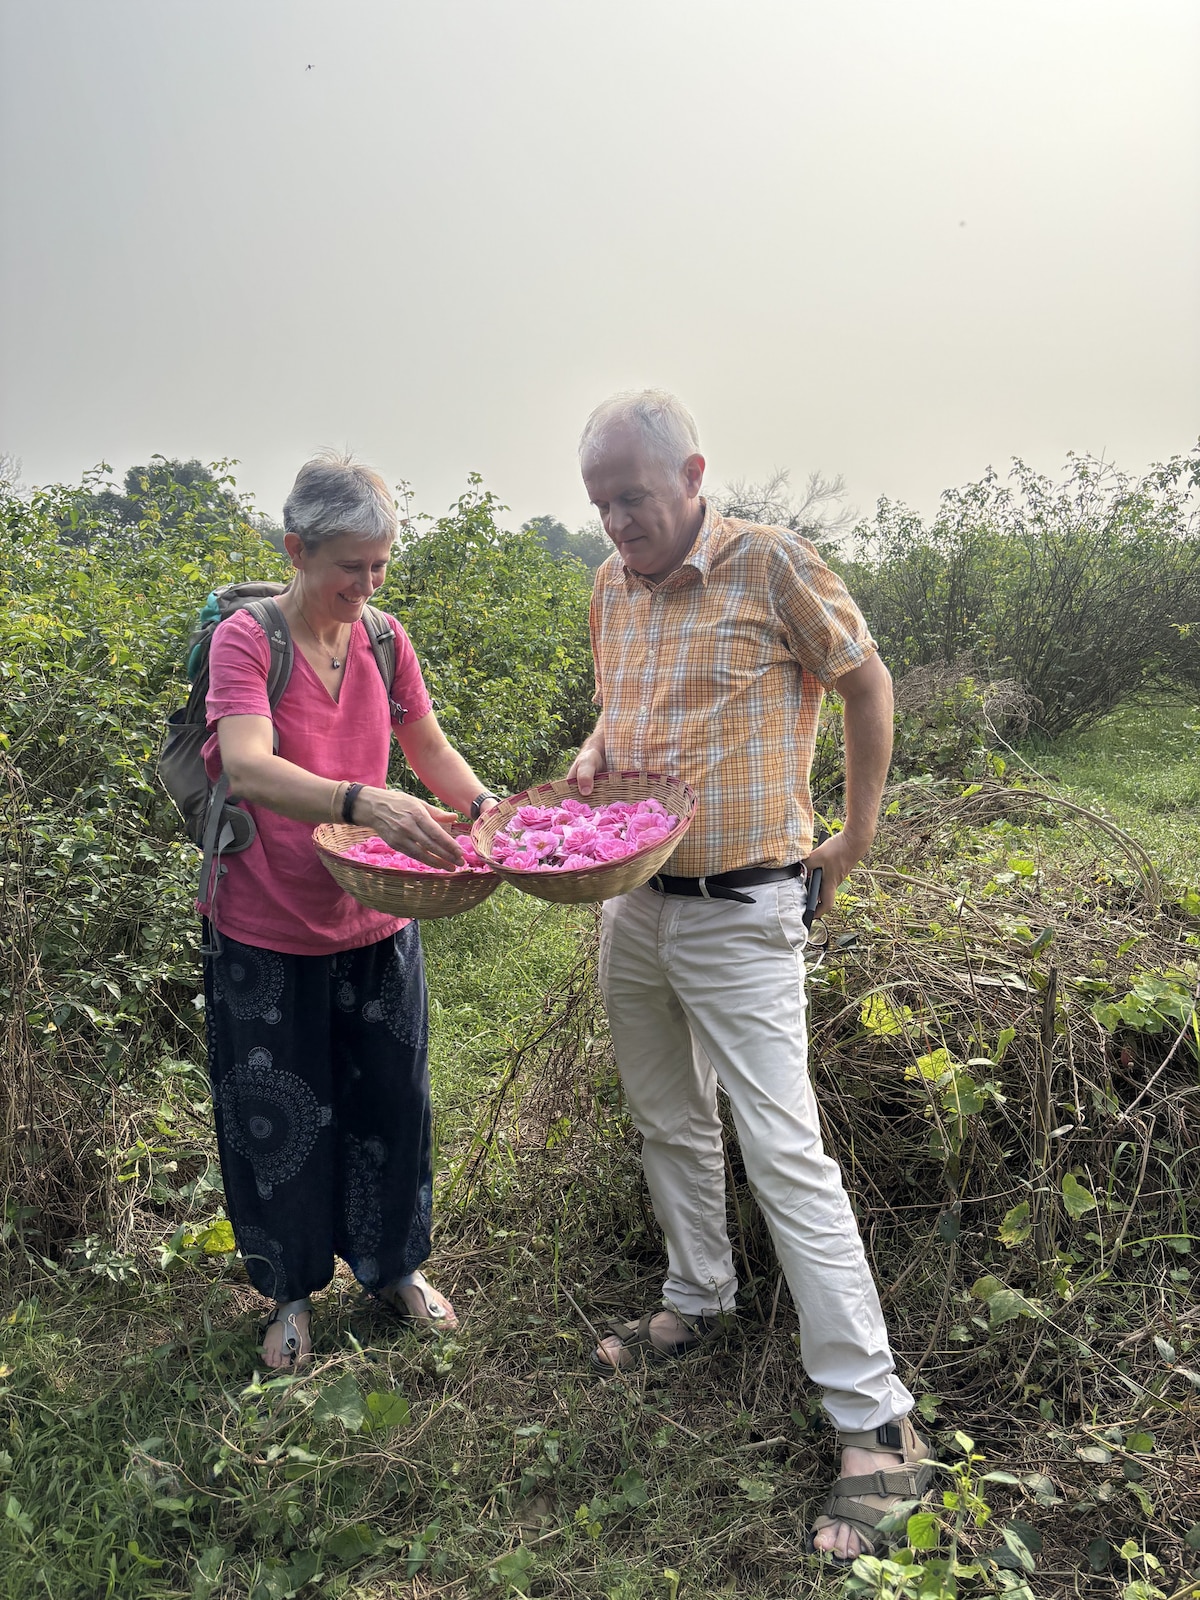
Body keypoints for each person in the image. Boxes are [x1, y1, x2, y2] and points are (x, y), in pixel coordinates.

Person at [567, 391, 931, 1561]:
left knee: (783, 1147)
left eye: (632, 494)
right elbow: (617, 715)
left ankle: (877, 1422)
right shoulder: (609, 590)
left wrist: (855, 841)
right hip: (638, 898)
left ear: (691, 474)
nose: (618, 520)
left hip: (744, 904)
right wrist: (591, 754)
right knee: (669, 1118)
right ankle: (699, 1297)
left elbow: (868, 685)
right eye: (600, 502)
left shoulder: (771, 565)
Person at [200, 452, 498, 1369]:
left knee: (391, 1099)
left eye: (381, 567)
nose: (366, 587)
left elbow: (430, 749)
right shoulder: (249, 641)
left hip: (373, 916)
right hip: (265, 920)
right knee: (278, 1113)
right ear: (296, 549)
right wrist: (361, 801)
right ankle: (290, 1294)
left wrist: (493, 816)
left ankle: (395, 1268)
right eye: (348, 568)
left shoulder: (383, 639)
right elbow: (246, 765)